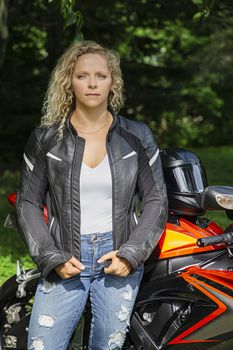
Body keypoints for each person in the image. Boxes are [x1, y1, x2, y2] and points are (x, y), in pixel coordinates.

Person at [15, 40, 168, 350]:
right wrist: (51, 256)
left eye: (101, 75)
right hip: (65, 258)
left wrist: (131, 253)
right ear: (69, 82)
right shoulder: (46, 138)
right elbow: (28, 202)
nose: (93, 83)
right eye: (83, 75)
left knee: (108, 346)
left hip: (118, 257)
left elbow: (156, 199)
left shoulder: (136, 136)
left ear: (113, 82)